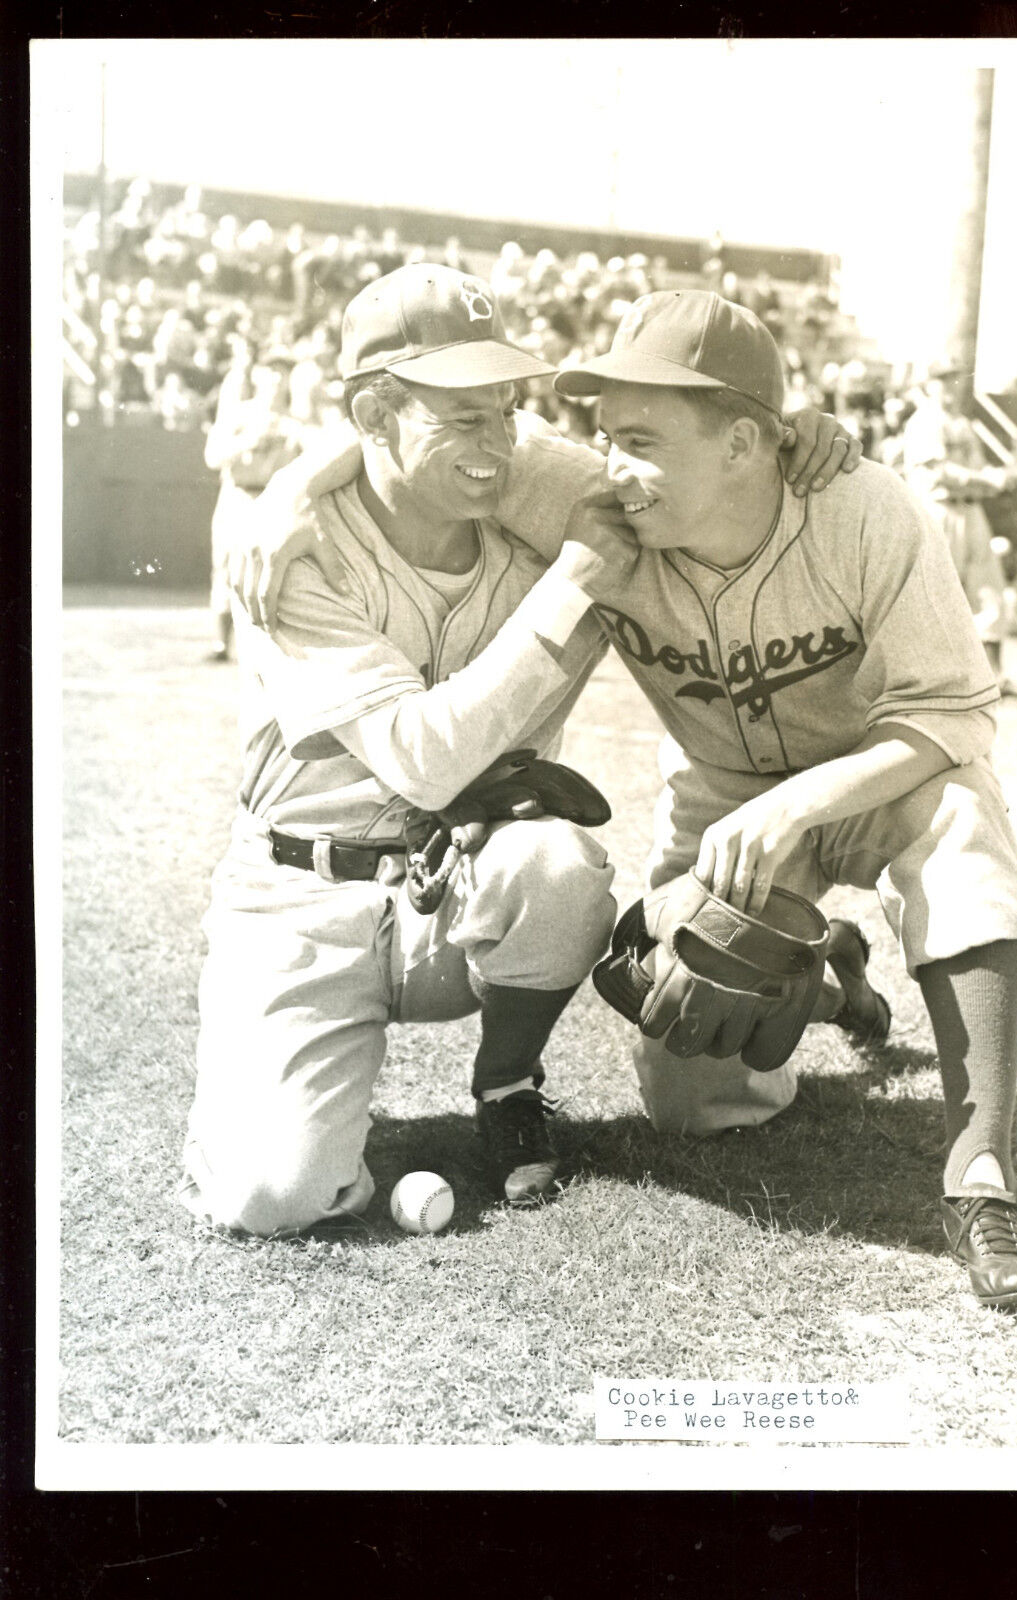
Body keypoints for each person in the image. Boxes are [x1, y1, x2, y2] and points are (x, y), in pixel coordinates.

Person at [241, 288, 1017, 1314]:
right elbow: (425, 436)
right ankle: (824, 974)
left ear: (749, 442)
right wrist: (289, 493)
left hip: (884, 772)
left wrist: (799, 807)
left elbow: (957, 716)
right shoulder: (603, 499)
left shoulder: (864, 507)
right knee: (696, 1108)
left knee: (963, 837)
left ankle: (979, 1180)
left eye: (641, 436)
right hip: (724, 800)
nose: (611, 463)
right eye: (602, 433)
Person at [184, 266, 858, 1240]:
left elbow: (709, 471)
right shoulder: (295, 555)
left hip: (456, 884)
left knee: (557, 865)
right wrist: (570, 583)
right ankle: (275, 1094)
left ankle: (507, 1084)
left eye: (506, 409)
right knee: (270, 1197)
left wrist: (804, 442)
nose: (497, 441)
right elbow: (422, 760)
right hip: (300, 894)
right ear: (373, 414)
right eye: (463, 417)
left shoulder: (528, 484)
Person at [900, 360, 1017, 699]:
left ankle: (994, 677)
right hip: (938, 509)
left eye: (953, 379)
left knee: (989, 592)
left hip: (971, 511)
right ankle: (923, 682)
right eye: (942, 380)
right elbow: (940, 471)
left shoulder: (961, 423)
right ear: (928, 384)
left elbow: (975, 471)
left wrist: (1002, 479)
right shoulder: (924, 422)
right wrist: (987, 479)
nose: (949, 386)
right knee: (933, 594)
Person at [203, 346, 303, 663]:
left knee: (269, 571)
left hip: (273, 499)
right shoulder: (240, 412)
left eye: (284, 371)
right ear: (257, 373)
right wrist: (249, 441)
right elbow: (212, 456)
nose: (277, 377)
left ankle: (267, 647)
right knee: (225, 567)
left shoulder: (294, 422)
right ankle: (221, 643)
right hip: (238, 494)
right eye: (271, 369)